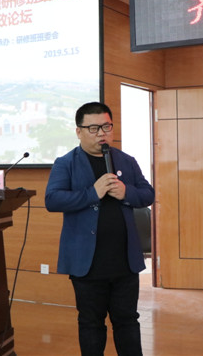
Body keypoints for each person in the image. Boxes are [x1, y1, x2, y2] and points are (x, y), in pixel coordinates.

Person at [45, 101, 155, 356]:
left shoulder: (126, 161)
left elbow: (148, 194)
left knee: (127, 321)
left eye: (106, 127)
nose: (101, 134)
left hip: (124, 260)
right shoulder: (66, 163)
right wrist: (91, 193)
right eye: (93, 128)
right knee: (91, 324)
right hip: (88, 262)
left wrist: (127, 192)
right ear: (79, 131)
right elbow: (53, 200)